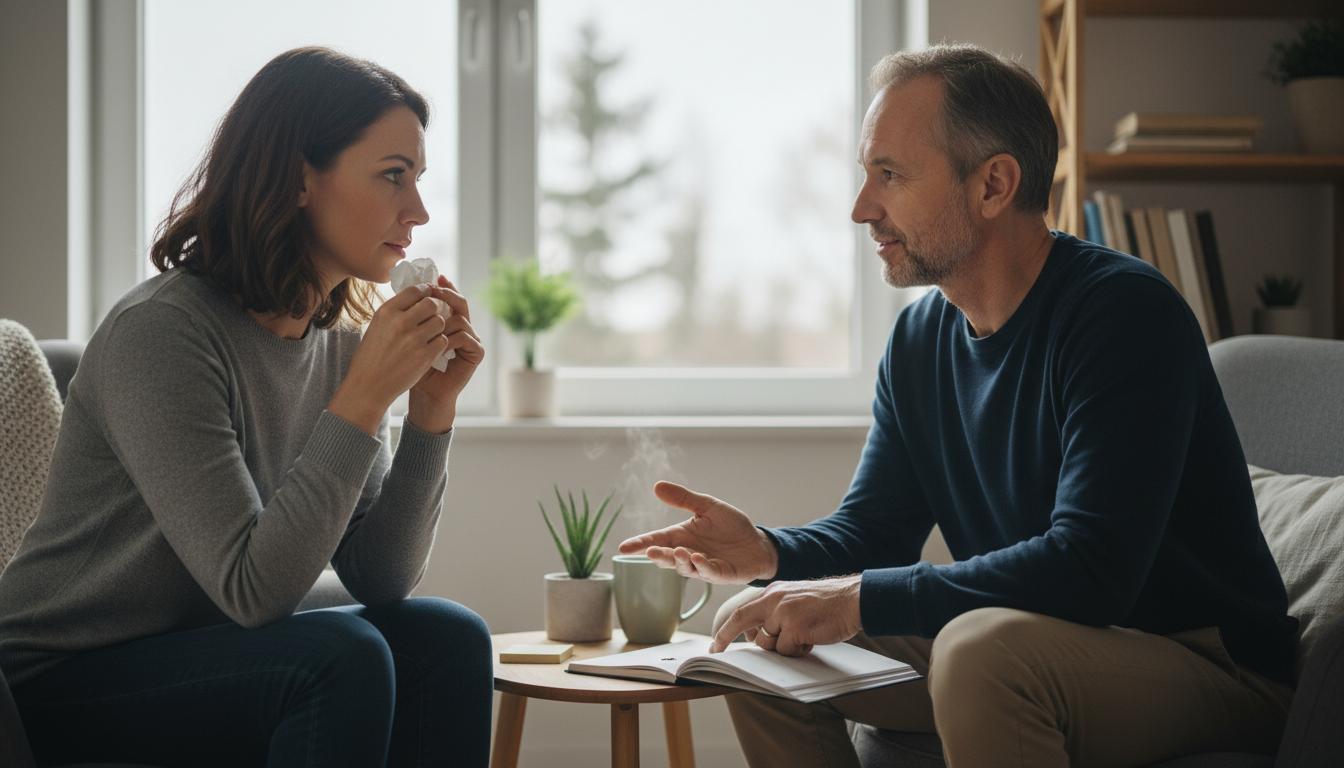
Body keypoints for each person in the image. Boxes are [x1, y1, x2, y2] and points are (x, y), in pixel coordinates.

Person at [619, 44, 1297, 768]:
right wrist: (771, 553)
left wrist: (854, 602)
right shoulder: (918, 340)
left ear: (993, 185)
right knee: (751, 633)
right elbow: (877, 529)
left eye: (890, 175)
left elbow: (1093, 569)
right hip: (1028, 638)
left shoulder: (1124, 314)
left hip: (1202, 663)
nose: (861, 209)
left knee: (980, 650)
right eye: (864, 174)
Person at [0, 47, 491, 767]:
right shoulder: (162, 334)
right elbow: (253, 592)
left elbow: (381, 577)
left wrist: (429, 412)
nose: (416, 211)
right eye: (393, 176)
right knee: (337, 655)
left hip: (203, 654)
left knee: (448, 636)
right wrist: (361, 399)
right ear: (300, 178)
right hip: (59, 682)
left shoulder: (339, 342)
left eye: (417, 179)